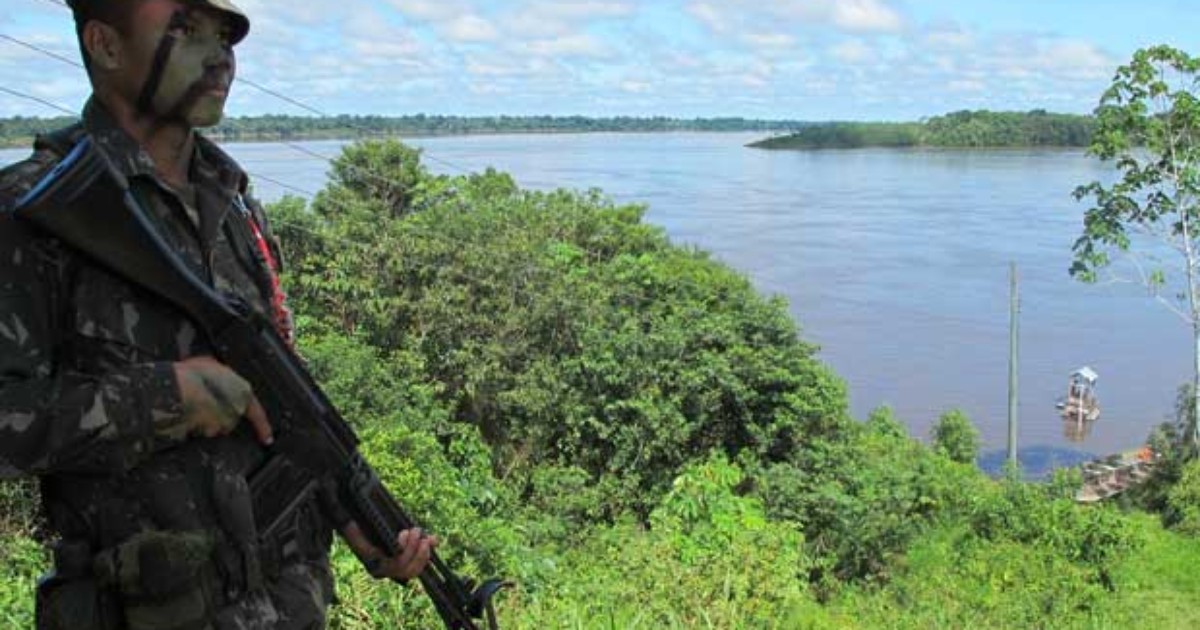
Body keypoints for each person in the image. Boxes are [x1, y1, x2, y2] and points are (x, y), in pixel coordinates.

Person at [0, 1, 437, 628]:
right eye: (182, 28)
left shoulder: (234, 209)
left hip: (286, 608)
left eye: (224, 34)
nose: (219, 55)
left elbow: (281, 408)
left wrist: (353, 521)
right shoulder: (33, 211)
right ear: (105, 44)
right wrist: (162, 398)